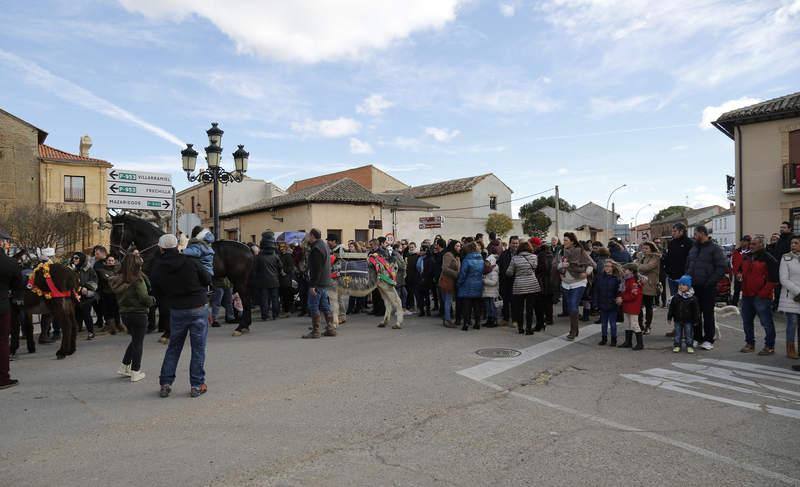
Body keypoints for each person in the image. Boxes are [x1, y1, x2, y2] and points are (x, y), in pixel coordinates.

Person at [152, 233, 212, 398]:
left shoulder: (158, 267)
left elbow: (156, 290)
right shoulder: (190, 261)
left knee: (174, 347)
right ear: (177, 245)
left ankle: (165, 383)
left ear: (161, 248)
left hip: (177, 309)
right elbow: (207, 279)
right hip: (198, 306)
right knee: (198, 348)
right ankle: (197, 385)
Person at [110, 251, 156, 382]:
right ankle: (136, 371)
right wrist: (152, 300)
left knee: (135, 340)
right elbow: (144, 298)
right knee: (138, 343)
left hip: (125, 313)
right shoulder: (137, 280)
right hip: (139, 313)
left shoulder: (119, 279)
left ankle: (124, 366)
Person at [685, 225, 727, 350]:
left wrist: (710, 282)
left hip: (708, 287)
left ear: (703, 233)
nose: (694, 236)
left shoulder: (715, 249)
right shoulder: (693, 248)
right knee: (695, 313)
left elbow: (721, 267)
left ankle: (709, 339)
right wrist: (686, 279)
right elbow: (688, 265)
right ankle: (697, 337)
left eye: (696, 234)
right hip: (693, 286)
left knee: (708, 314)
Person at [739, 236, 778, 355]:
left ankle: (769, 346)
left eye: (754, 244)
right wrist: (739, 275)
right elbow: (740, 270)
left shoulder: (769, 259)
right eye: (751, 244)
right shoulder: (746, 257)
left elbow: (774, 280)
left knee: (766, 323)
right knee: (747, 322)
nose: (751, 246)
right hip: (746, 295)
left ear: (761, 245)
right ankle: (750, 343)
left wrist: (762, 294)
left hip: (761, 296)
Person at [558, 232, 594, 340]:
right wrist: (561, 265)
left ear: (572, 241)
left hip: (578, 282)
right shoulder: (561, 251)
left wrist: (587, 273)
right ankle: (575, 329)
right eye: (563, 240)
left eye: (566, 240)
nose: (563, 242)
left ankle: (572, 331)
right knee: (571, 307)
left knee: (573, 305)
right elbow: (555, 264)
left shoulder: (580, 251)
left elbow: (591, 264)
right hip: (565, 283)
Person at [302, 229, 336, 339]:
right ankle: (330, 328)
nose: (306, 237)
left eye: (308, 236)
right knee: (325, 305)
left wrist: (312, 285)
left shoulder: (316, 248)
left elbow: (317, 269)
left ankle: (316, 331)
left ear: (312, 236)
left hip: (318, 283)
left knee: (313, 305)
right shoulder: (324, 245)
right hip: (325, 281)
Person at [0, 229, 22, 389]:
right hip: (2, 306)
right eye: (6, 241)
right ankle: (2, 378)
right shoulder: (10, 263)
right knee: (2, 342)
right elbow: (17, 287)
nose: (8, 244)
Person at [506, 240, 541, 335]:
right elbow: (535, 268)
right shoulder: (534, 257)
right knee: (530, 308)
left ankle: (520, 328)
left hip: (519, 286)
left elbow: (509, 272)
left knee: (519, 308)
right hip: (532, 285)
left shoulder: (515, 258)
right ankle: (528, 329)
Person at [249, 231, 283, 328]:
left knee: (264, 299)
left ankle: (265, 315)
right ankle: (275, 314)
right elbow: (281, 267)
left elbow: (255, 269)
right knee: (275, 298)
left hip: (263, 281)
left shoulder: (259, 257)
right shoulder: (275, 256)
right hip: (274, 280)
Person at [778, 235, 800, 359]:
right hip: (791, 297)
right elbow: (783, 279)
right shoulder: (786, 258)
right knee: (792, 323)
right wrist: (798, 292)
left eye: (796, 243)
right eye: (792, 243)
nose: (793, 245)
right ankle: (790, 349)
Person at [69, 251, 98, 340]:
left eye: (76, 258)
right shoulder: (70, 269)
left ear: (81, 259)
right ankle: (76, 330)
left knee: (86, 314)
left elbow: (94, 281)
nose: (74, 260)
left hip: (86, 296)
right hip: (73, 295)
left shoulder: (89, 269)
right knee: (75, 314)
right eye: (73, 258)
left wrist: (86, 288)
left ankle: (91, 332)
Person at [667, 275, 699, 354]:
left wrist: (696, 319)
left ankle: (689, 346)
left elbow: (696, 310)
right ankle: (677, 345)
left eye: (683, 285)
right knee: (678, 334)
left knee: (689, 334)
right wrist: (669, 317)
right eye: (680, 284)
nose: (681, 286)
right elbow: (671, 308)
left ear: (688, 286)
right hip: (678, 319)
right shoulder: (676, 297)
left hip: (689, 320)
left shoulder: (693, 298)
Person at [593, 259, 621, 346]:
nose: (606, 268)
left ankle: (614, 339)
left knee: (613, 324)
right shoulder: (600, 277)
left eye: (609, 266)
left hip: (613, 304)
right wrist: (595, 303)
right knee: (603, 324)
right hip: (602, 303)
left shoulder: (617, 278)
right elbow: (596, 291)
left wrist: (618, 300)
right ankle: (604, 338)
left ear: (613, 268)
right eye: (605, 266)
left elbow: (619, 292)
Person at [457, 242, 484, 331]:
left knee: (467, 306)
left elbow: (463, 274)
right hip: (478, 284)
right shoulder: (481, 259)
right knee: (477, 305)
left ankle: (466, 324)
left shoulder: (466, 260)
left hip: (467, 285)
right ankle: (477, 323)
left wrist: (458, 283)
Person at [636, 241, 662, 335]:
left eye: (646, 248)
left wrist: (637, 266)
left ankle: (648, 325)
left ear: (651, 248)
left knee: (648, 306)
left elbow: (647, 267)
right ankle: (640, 325)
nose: (644, 250)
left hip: (650, 284)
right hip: (640, 284)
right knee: (638, 306)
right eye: (643, 248)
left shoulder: (655, 257)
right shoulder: (641, 257)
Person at [619, 263, 645, 350]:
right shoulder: (627, 279)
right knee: (627, 324)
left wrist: (622, 298)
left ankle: (640, 343)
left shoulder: (633, 281)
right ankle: (628, 342)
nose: (623, 271)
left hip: (633, 305)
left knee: (634, 324)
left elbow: (634, 294)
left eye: (625, 270)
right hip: (627, 304)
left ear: (631, 271)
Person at [96, 254, 123, 335]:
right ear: (106, 262)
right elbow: (106, 279)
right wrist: (115, 277)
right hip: (107, 293)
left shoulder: (118, 269)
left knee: (116, 310)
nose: (111, 262)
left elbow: (120, 278)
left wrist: (113, 277)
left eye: (112, 260)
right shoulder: (101, 270)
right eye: (109, 261)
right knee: (108, 311)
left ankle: (118, 325)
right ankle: (111, 327)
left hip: (116, 293)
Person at [665, 223, 693, 296]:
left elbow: (692, 260)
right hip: (671, 277)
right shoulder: (671, 243)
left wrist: (687, 274)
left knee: (684, 299)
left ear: (681, 231)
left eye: (675, 231)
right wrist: (667, 271)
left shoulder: (690, 243)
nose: (672, 233)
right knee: (674, 299)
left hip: (684, 278)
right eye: (672, 231)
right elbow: (668, 258)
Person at [770, 222, 793, 310]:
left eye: (784, 227)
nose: (781, 229)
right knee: (777, 287)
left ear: (789, 228)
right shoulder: (780, 239)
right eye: (781, 227)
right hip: (778, 266)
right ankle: (777, 303)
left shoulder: (791, 239)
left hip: (788, 267)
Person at [532, 237, 555, 327]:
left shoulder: (540, 255)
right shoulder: (550, 254)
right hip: (550, 280)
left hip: (542, 280)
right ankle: (549, 318)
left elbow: (541, 268)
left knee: (542, 300)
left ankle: (545, 318)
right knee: (548, 300)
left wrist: (537, 272)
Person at [498, 236, 519, 326]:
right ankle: (506, 319)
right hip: (506, 281)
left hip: (517, 281)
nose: (515, 245)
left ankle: (515, 320)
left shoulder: (520, 254)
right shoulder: (504, 254)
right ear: (509, 243)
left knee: (516, 302)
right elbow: (500, 266)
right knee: (506, 301)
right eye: (513, 243)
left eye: (516, 243)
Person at [440, 240, 461, 327]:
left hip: (451, 280)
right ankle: (447, 320)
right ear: (452, 246)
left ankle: (446, 318)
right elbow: (445, 268)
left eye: (459, 246)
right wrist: (456, 274)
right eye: (457, 246)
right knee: (448, 301)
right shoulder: (448, 255)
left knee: (448, 301)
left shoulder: (456, 256)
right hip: (446, 280)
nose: (459, 248)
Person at [482, 242, 500, 327]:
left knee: (492, 307)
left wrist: (484, 280)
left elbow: (494, 282)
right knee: (488, 307)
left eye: (487, 262)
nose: (486, 264)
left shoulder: (494, 271)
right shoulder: (487, 270)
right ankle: (489, 319)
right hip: (487, 292)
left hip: (492, 292)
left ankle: (493, 320)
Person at [730, 235, 751, 306]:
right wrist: (736, 273)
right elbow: (732, 262)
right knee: (737, 290)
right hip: (738, 274)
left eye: (745, 241)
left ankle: (747, 304)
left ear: (748, 242)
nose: (743, 243)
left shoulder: (751, 252)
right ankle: (734, 304)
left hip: (747, 274)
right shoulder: (736, 252)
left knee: (747, 290)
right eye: (742, 241)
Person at [278, 242, 296, 316]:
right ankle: (285, 309)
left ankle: (288, 310)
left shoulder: (288, 256)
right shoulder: (280, 256)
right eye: (280, 247)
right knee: (283, 294)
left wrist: (284, 271)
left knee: (287, 294)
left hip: (287, 278)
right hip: (281, 278)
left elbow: (291, 267)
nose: (281, 249)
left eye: (283, 247)